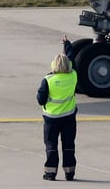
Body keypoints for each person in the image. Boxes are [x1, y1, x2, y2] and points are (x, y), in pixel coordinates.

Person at [37, 36, 78, 181]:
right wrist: (67, 44)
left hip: (51, 119)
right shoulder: (73, 76)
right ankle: (69, 173)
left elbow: (40, 100)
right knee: (68, 146)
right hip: (69, 118)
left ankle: (50, 173)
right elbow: (72, 58)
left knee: (51, 146)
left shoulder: (48, 80)